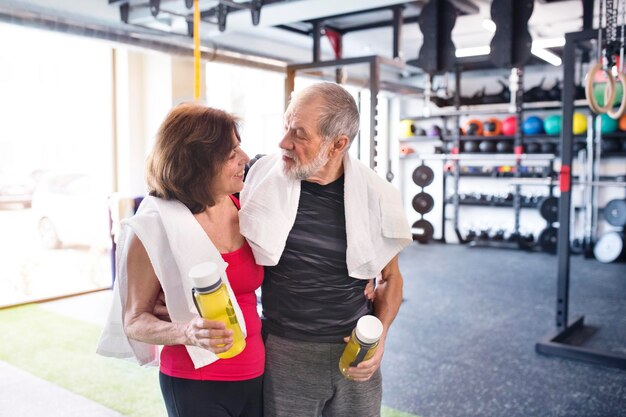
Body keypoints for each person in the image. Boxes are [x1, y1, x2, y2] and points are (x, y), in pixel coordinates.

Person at [239, 82, 412, 417]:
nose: (283, 142)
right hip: (285, 352)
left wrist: (380, 338)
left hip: (355, 348)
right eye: (286, 125)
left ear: (337, 145)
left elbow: (390, 278)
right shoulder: (259, 177)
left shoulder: (376, 196)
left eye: (299, 134)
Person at [97, 103, 264, 417]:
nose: (245, 159)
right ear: (197, 163)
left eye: (239, 147)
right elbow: (134, 320)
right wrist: (186, 332)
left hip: (256, 373)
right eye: (231, 154)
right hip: (196, 381)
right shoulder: (155, 225)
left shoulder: (243, 206)